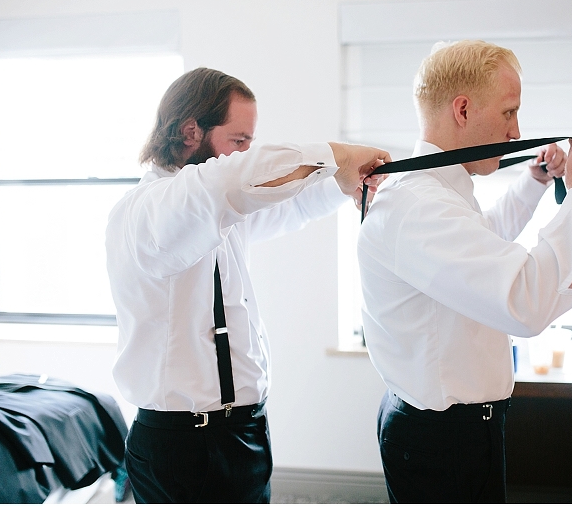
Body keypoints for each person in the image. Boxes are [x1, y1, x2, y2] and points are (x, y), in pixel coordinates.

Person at [105, 67, 388, 503]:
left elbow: (288, 207)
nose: (245, 154)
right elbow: (235, 180)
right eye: (238, 141)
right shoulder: (150, 211)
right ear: (189, 132)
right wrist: (337, 155)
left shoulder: (221, 212)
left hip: (246, 431)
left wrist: (341, 183)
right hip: (181, 444)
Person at [357, 40, 572, 503]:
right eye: (508, 113)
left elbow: (484, 245)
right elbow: (522, 302)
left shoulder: (438, 193)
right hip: (443, 441)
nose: (517, 132)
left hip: (452, 431)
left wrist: (534, 182)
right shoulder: (420, 207)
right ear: (462, 109)